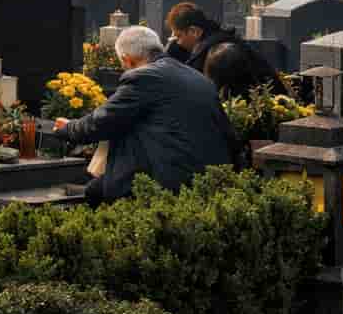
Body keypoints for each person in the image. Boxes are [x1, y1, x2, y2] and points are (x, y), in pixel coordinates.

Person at [52, 25, 239, 207]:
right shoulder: (197, 77)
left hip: (170, 179)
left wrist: (68, 128)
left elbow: (101, 122)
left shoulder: (144, 77)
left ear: (127, 60)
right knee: (99, 184)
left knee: (96, 192)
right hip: (211, 177)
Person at [165, 2, 286, 99]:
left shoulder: (212, 52)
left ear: (194, 32)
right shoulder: (223, 39)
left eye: (179, 36)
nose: (177, 42)